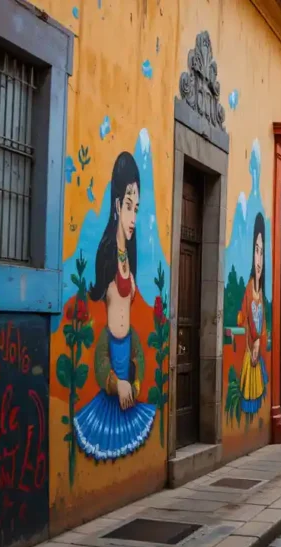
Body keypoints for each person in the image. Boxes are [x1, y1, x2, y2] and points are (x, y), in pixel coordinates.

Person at [76, 152, 157, 461]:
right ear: (115, 206)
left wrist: (133, 381)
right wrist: (116, 382)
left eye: (136, 208)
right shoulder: (107, 258)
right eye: (127, 207)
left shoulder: (130, 262)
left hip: (128, 356)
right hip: (111, 353)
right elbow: (100, 345)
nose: (133, 218)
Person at [238, 214, 269, 414]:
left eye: (262, 252)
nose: (259, 259)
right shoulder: (249, 290)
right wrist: (255, 341)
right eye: (256, 251)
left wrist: (260, 340)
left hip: (257, 349)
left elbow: (263, 324)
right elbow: (244, 319)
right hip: (249, 352)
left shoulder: (261, 294)